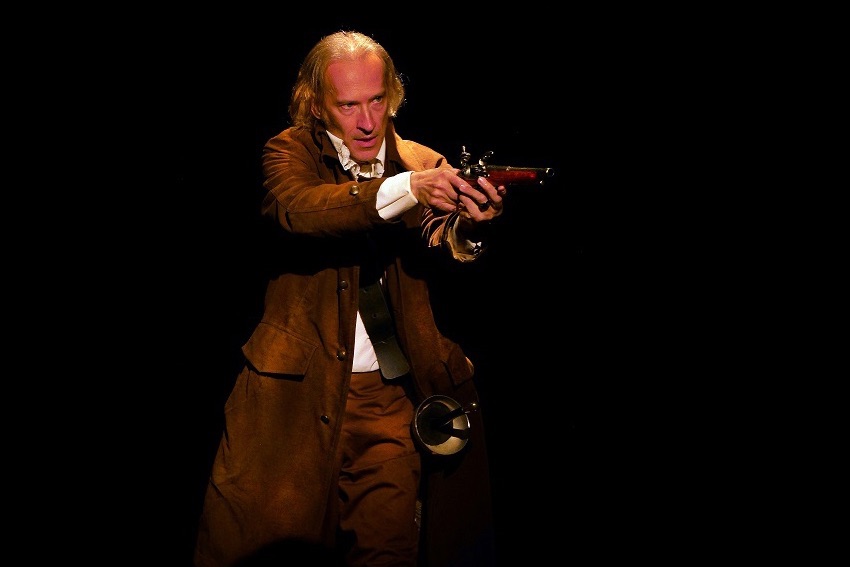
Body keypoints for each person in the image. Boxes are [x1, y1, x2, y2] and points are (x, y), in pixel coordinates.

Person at [194, 30, 507, 567]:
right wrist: (406, 189)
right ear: (317, 105)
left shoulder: (420, 161)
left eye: (377, 101)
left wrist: (469, 224)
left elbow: (437, 236)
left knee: (388, 551)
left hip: (389, 403)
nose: (367, 121)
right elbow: (299, 208)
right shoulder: (289, 152)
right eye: (348, 105)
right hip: (295, 399)